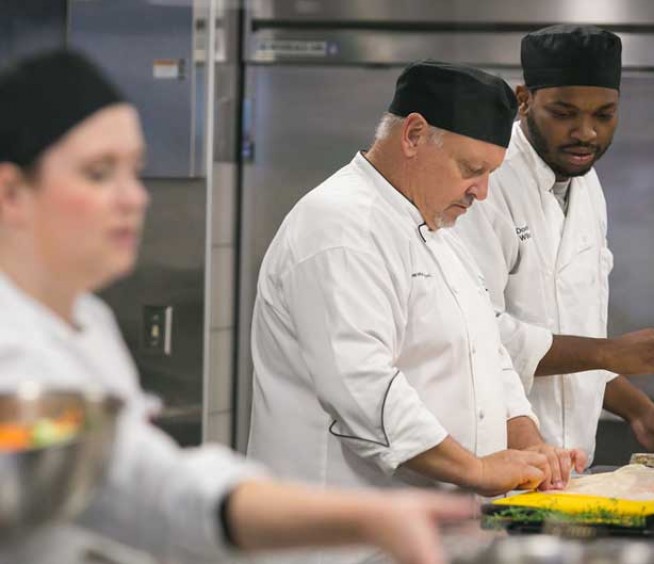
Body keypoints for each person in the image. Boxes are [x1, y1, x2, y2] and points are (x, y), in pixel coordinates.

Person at [0, 50, 473, 564]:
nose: (134, 198)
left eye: (135, 171)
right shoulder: (12, 340)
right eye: (97, 174)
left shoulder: (88, 323)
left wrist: (369, 518)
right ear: (10, 192)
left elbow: (152, 484)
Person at [248, 60, 587, 521]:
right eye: (472, 169)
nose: (482, 192)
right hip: (344, 538)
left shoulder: (438, 230)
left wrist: (529, 445)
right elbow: (364, 390)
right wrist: (475, 469)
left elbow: (488, 350)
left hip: (431, 529)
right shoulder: (340, 227)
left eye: (491, 173)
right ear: (413, 135)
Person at [455, 25, 654, 467]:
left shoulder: (585, 185)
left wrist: (638, 410)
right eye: (564, 113)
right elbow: (473, 334)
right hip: (493, 456)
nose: (585, 133)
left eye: (604, 115)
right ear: (524, 99)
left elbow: (571, 322)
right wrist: (611, 352)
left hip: (568, 462)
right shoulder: (486, 183)